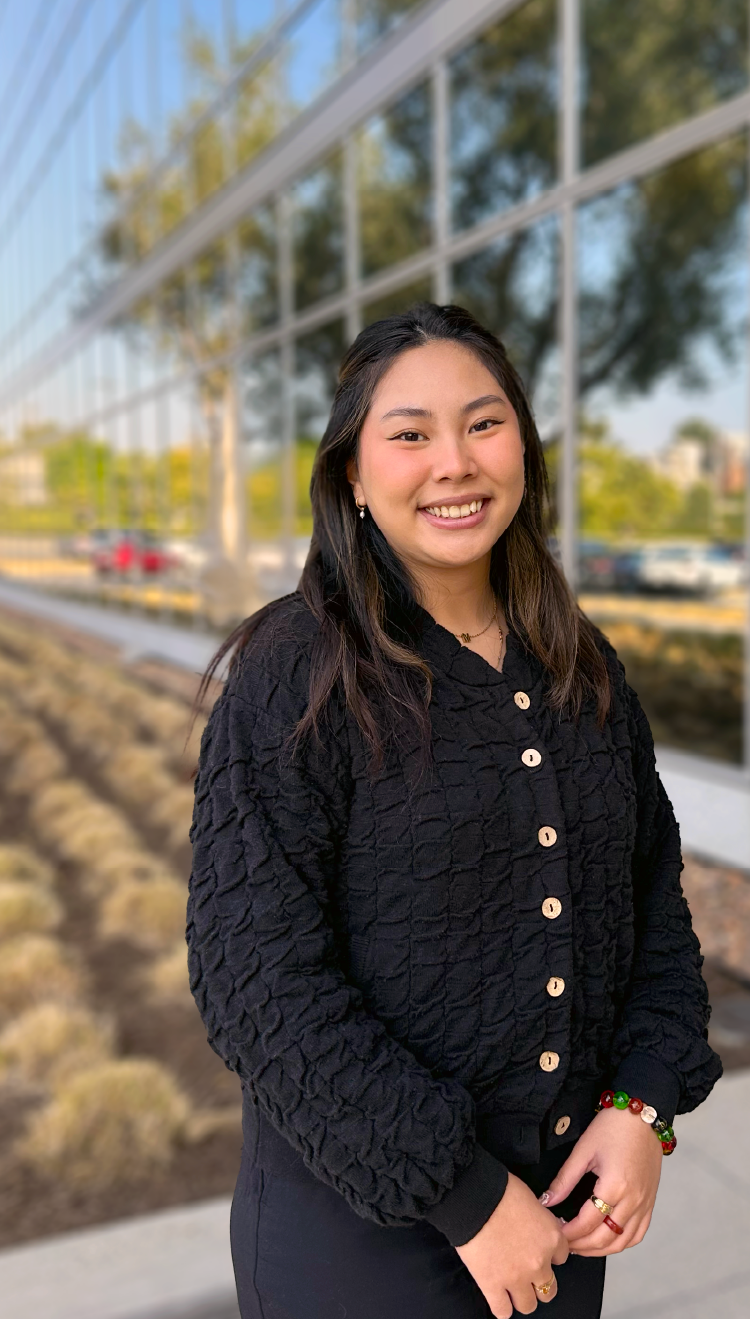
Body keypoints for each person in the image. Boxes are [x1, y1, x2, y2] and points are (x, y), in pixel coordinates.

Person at [187, 302, 722, 1319]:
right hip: (363, 1248)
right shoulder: (294, 674)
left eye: (483, 423)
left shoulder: (581, 665)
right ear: (353, 469)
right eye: (409, 433)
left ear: (523, 440)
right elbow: (255, 978)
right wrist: (468, 1198)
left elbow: (653, 907)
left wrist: (640, 1106)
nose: (455, 462)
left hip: (562, 1226)